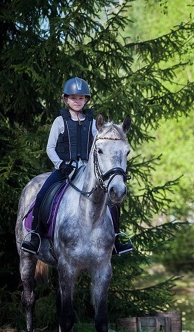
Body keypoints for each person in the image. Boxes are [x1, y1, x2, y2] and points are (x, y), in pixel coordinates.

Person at [20, 77, 134, 256]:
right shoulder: (59, 121)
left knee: (111, 200)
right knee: (42, 194)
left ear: (86, 100)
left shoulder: (93, 123)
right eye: (73, 98)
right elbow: (50, 148)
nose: (77, 101)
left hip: (86, 171)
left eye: (81, 98)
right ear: (65, 99)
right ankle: (34, 235)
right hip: (64, 168)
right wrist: (61, 164)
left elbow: (100, 146)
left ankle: (117, 236)